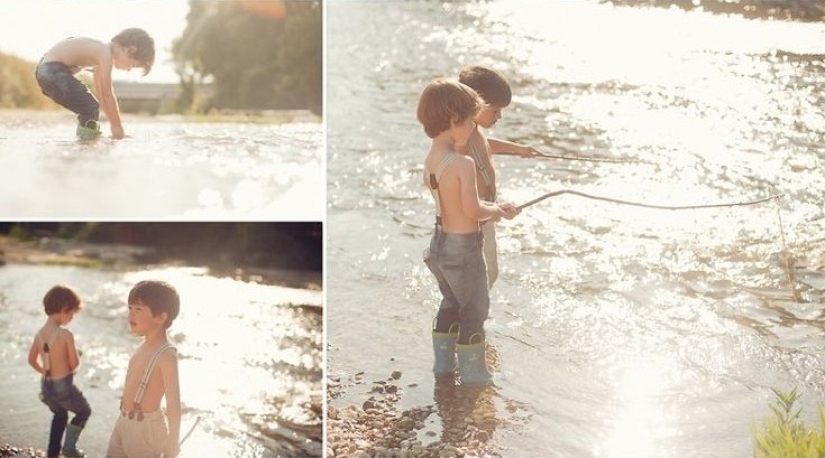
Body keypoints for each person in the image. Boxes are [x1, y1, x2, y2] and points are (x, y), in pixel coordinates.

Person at [417, 78, 520, 385]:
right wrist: (497, 210)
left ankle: (443, 366)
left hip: (439, 244)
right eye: (470, 122)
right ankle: (475, 373)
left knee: (450, 303)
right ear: (454, 120)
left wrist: (494, 207)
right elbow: (473, 211)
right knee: (475, 309)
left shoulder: (431, 160)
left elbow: (448, 201)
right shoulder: (462, 164)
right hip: (463, 248)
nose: (474, 128)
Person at [458, 65, 541, 289]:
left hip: (484, 214)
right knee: (476, 280)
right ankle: (465, 310)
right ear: (474, 103)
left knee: (490, 274)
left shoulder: (473, 130)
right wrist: (495, 210)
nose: (499, 116)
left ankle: (470, 308)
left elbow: (485, 145)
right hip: (471, 221)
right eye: (495, 111)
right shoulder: (459, 136)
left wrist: (519, 149)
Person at [35, 28, 155, 140]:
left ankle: (86, 140)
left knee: (90, 107)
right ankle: (86, 142)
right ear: (130, 50)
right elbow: (108, 94)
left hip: (48, 72)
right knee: (89, 107)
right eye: (132, 65)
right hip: (51, 71)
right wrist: (117, 128)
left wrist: (111, 122)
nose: (128, 69)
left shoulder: (100, 56)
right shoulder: (104, 53)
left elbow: (101, 95)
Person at [107, 280, 181, 458]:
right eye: (130, 308)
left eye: (138, 309)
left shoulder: (166, 354)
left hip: (145, 429)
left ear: (160, 317)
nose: (131, 315)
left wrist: (172, 444)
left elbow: (174, 404)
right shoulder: (143, 345)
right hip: (124, 421)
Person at [27, 284, 92, 458]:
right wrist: (77, 354)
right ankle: (69, 448)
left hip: (46, 386)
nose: (71, 318)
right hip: (63, 386)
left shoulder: (39, 334)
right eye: (72, 314)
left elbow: (31, 360)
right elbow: (74, 364)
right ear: (64, 309)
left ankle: (52, 453)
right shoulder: (65, 334)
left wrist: (44, 370)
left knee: (60, 414)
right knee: (84, 411)